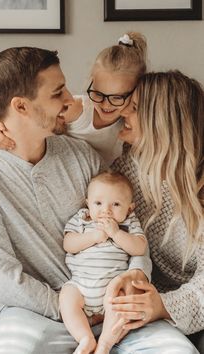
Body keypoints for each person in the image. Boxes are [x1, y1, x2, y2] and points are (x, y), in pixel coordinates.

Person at [0, 46, 152, 354]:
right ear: (21, 106)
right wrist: (71, 308)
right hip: (32, 312)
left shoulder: (82, 155)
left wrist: (136, 278)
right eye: (57, 93)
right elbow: (0, 276)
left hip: (115, 303)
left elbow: (132, 228)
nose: (71, 100)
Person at [108, 70, 204, 354]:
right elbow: (78, 118)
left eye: (134, 107)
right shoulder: (126, 171)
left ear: (162, 123)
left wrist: (165, 306)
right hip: (149, 296)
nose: (121, 111)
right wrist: (5, 126)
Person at [0, 32, 147, 165]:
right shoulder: (78, 109)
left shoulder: (132, 122)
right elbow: (29, 116)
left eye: (117, 97)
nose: (105, 104)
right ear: (92, 81)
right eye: (98, 94)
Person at [59, 171, 147, 354]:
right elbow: (68, 244)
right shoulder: (83, 218)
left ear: (130, 208)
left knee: (121, 302)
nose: (106, 210)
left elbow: (139, 248)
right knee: (66, 297)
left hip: (112, 288)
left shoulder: (128, 222)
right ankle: (85, 338)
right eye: (98, 203)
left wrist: (116, 234)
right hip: (81, 284)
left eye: (115, 204)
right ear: (88, 203)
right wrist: (93, 237)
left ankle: (104, 345)